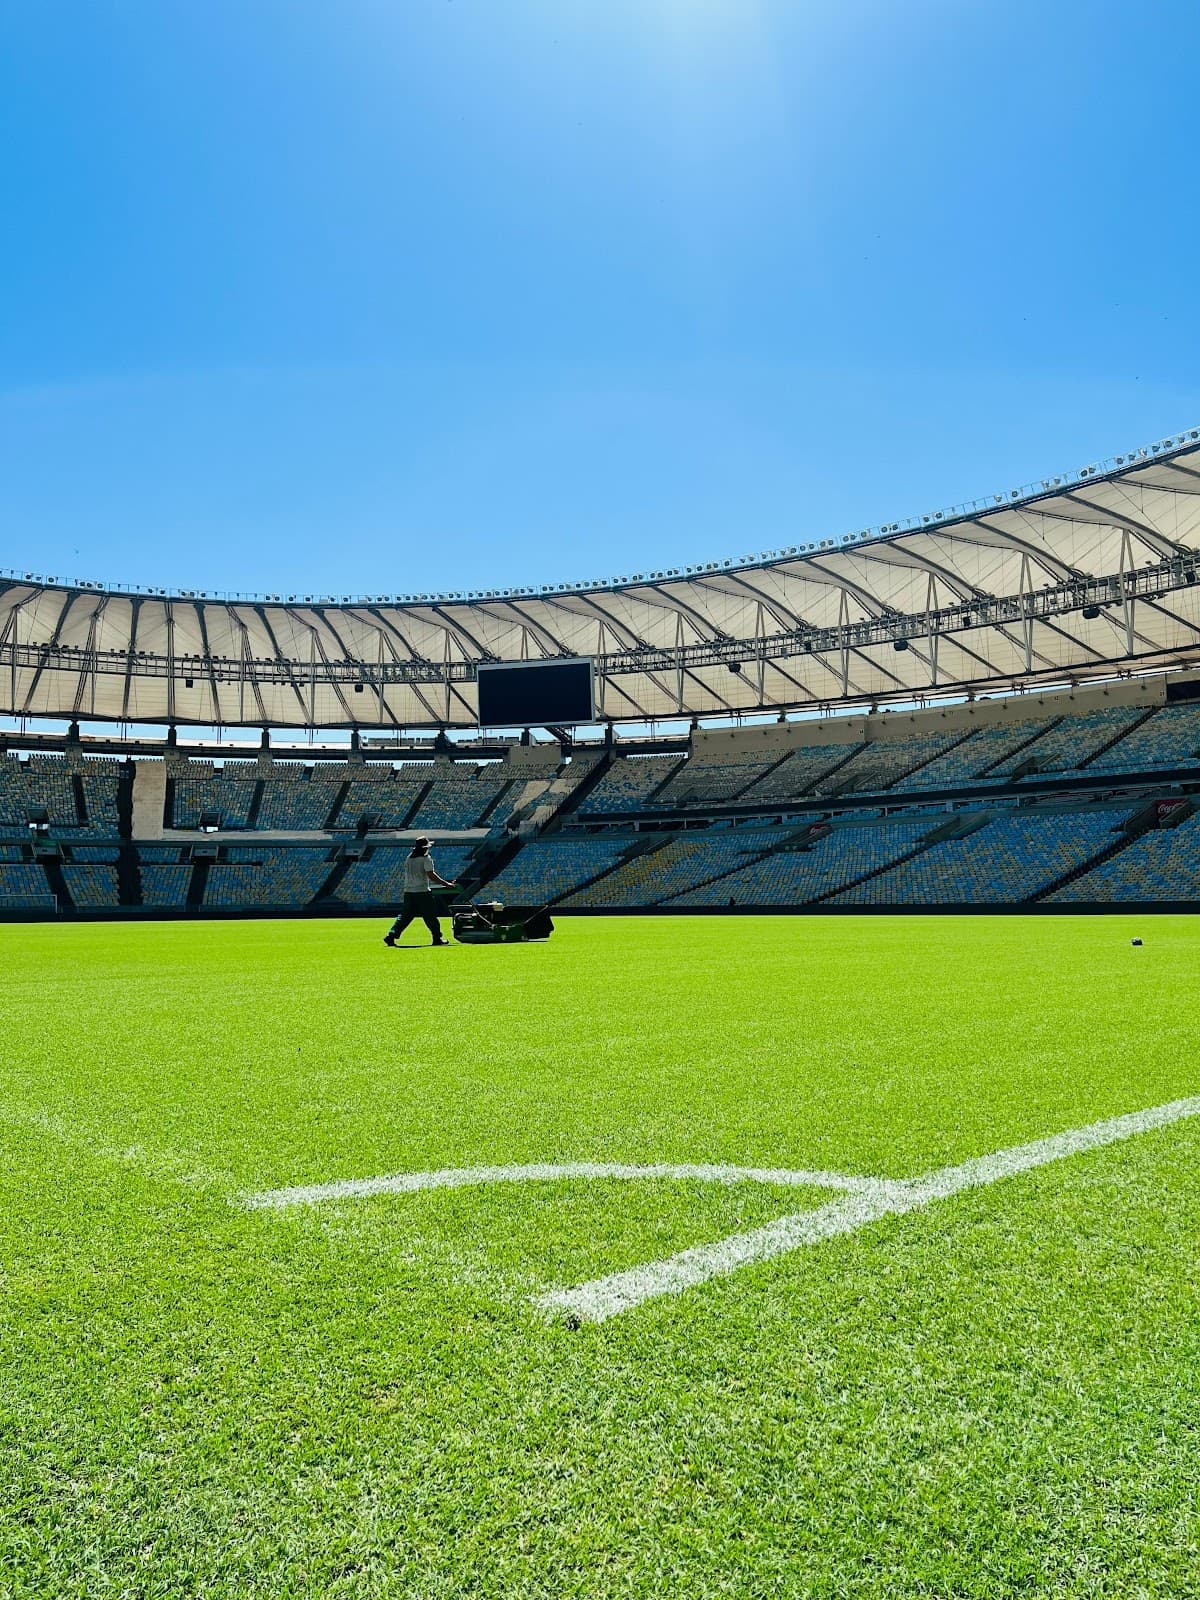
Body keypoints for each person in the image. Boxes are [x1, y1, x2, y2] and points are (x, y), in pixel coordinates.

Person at [383, 837, 457, 947]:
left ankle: (392, 935)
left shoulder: (409, 858)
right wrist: (447, 884)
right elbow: (431, 875)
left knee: (405, 916)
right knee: (430, 916)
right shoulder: (425, 858)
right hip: (422, 892)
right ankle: (437, 938)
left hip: (408, 892)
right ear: (426, 848)